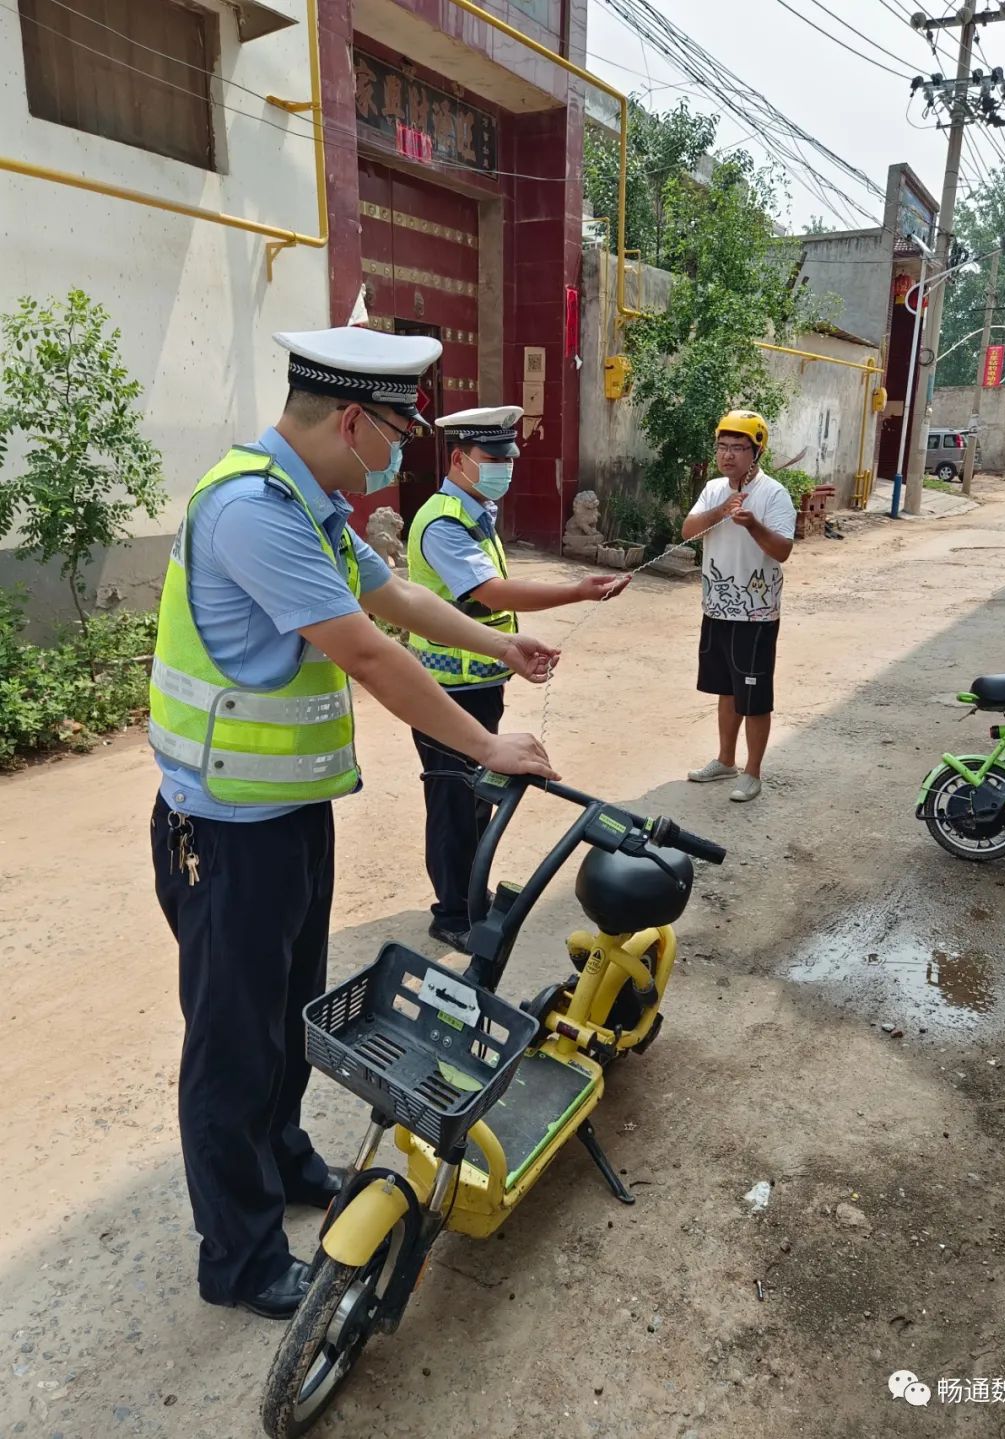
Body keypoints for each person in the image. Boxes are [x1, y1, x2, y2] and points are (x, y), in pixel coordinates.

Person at [148, 329, 561, 1320]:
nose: (400, 450)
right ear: (348, 418)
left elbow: (400, 595)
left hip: (287, 819)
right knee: (232, 1047)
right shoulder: (252, 512)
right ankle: (239, 1257)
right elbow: (371, 653)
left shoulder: (309, 502)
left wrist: (505, 644)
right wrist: (488, 745)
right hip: (226, 835)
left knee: (288, 1015)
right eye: (396, 429)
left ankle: (285, 1159)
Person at [407, 405, 630, 953]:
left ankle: (468, 894)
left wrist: (509, 654)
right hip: (445, 692)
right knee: (454, 803)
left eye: (508, 459)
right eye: (492, 459)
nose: (503, 469)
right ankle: (452, 912)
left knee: (478, 799)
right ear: (459, 459)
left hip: (481, 685)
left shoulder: (474, 514)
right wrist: (577, 590)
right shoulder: (442, 522)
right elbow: (493, 594)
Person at [682, 410, 795, 803]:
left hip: (756, 614)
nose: (728, 455)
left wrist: (752, 525)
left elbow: (782, 550)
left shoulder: (773, 494)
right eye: (722, 447)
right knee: (726, 689)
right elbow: (687, 531)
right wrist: (722, 510)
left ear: (756, 451)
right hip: (716, 607)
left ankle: (753, 772)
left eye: (738, 448)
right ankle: (725, 760)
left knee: (755, 695)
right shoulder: (714, 489)